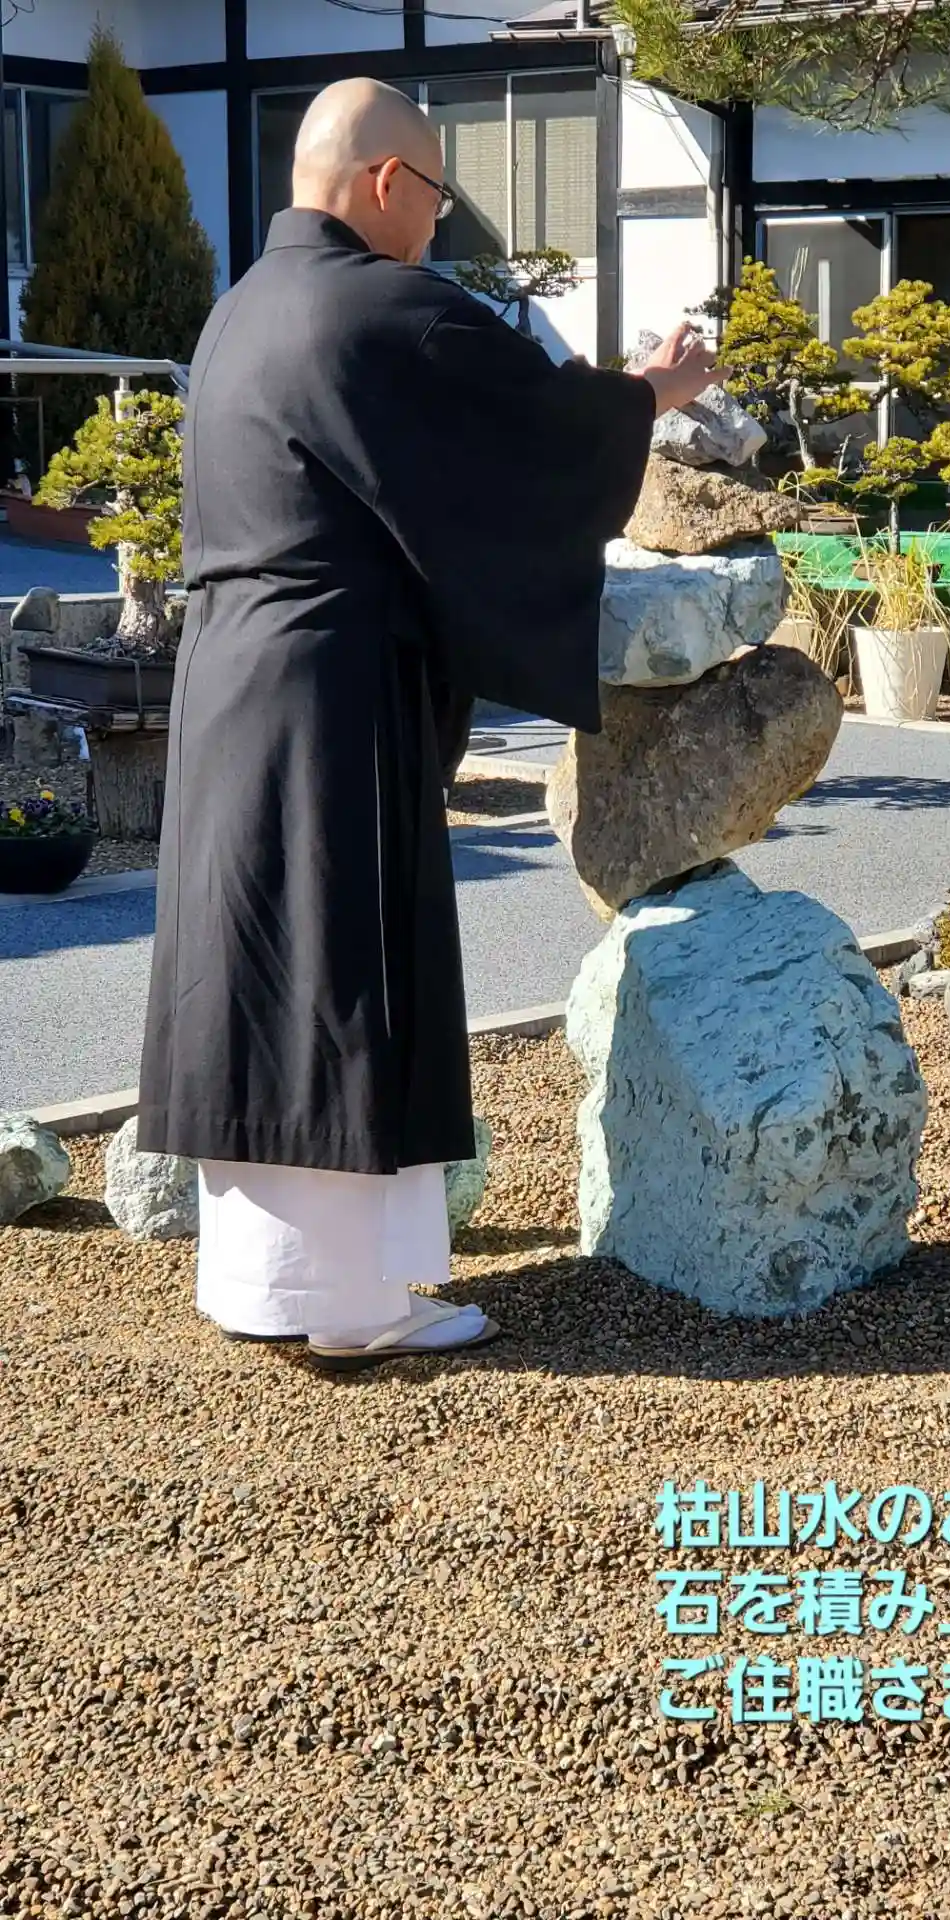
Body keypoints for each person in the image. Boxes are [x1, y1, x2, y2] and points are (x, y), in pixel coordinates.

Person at [135, 78, 714, 1370]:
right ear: (390, 182)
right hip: (332, 692)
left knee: (258, 967)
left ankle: (259, 1281)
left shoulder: (240, 311)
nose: (439, 224)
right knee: (348, 966)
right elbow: (532, 439)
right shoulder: (382, 309)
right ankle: (353, 1302)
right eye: (439, 195)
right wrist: (648, 395)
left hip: (229, 682)